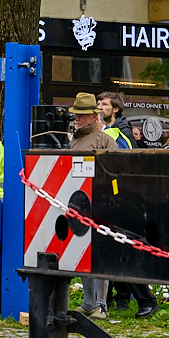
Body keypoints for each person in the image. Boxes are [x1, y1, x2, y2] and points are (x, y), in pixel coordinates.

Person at [68, 93, 116, 319]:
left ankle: (99, 304)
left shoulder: (104, 140)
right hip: (79, 203)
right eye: (76, 114)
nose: (77, 118)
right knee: (81, 253)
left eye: (82, 115)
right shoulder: (74, 140)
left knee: (97, 255)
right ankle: (89, 302)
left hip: (99, 203)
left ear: (93, 117)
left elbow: (116, 172)